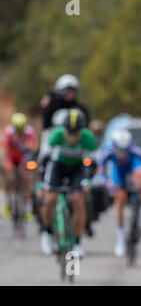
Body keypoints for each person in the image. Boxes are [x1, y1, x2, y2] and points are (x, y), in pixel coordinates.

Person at [39, 109, 96, 257]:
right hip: (57, 167)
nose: (71, 138)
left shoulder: (88, 137)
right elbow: (44, 160)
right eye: (68, 133)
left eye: (75, 134)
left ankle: (76, 242)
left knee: (79, 199)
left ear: (81, 130)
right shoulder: (56, 135)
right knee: (50, 198)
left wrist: (87, 181)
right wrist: (41, 183)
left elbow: (92, 164)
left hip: (77, 168)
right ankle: (47, 233)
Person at [97, 129, 141, 257]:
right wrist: (109, 183)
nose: (122, 153)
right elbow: (101, 171)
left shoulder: (135, 150)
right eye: (119, 150)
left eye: (125, 150)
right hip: (118, 173)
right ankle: (120, 238)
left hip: (133, 167)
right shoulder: (106, 151)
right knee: (119, 198)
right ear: (114, 146)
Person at [1, 113, 38, 221]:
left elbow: (34, 147)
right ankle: (7, 203)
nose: (19, 130)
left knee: (26, 178)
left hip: (23, 156)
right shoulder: (8, 132)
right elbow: (4, 150)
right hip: (11, 156)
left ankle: (27, 208)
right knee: (10, 178)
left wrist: (31, 159)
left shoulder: (29, 131)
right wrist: (4, 165)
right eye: (18, 128)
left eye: (21, 128)